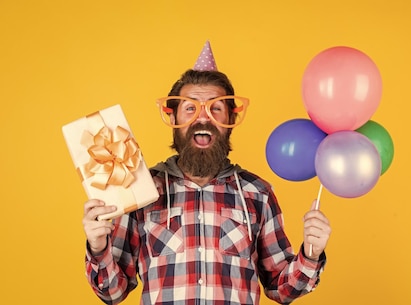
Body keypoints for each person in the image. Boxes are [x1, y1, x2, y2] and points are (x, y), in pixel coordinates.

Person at [82, 68, 331, 305]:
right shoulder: (140, 189)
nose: (203, 117)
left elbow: (282, 288)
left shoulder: (258, 193)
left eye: (216, 108)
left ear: (231, 118)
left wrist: (310, 255)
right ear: (173, 117)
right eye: (190, 108)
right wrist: (98, 247)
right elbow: (113, 292)